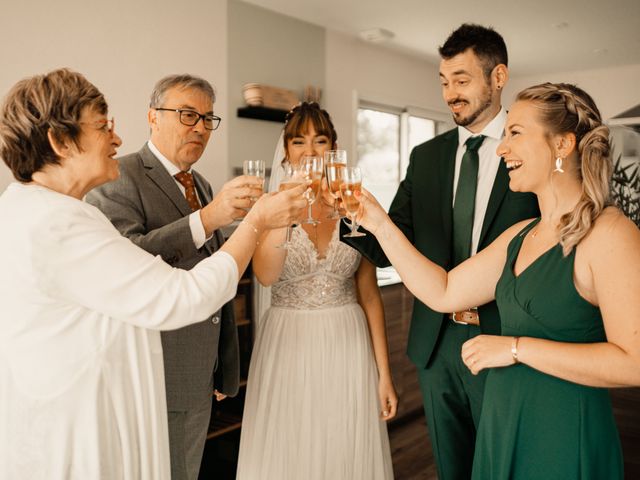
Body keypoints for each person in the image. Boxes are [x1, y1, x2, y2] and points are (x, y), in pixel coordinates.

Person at [0, 68, 307, 480]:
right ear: (60, 141)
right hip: (77, 426)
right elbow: (181, 295)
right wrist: (255, 222)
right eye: (102, 126)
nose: (116, 137)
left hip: (107, 403)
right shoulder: (60, 224)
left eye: (206, 118)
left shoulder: (31, 208)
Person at [356, 82, 639, 478]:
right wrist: (378, 223)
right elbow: (444, 291)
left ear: (562, 145)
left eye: (515, 133)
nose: (502, 148)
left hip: (561, 436)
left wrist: (516, 349)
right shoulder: (520, 235)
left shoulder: (610, 233)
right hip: (503, 424)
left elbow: (634, 362)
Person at [341, 23, 539, 479]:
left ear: (499, 77)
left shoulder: (529, 147)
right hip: (436, 344)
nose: (451, 93)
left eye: (462, 80)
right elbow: (392, 244)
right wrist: (344, 217)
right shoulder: (426, 157)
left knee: (508, 466)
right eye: (445, 81)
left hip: (506, 336)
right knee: (451, 468)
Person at [86, 74, 261, 480]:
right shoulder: (119, 176)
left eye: (208, 118)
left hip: (199, 371)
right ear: (153, 116)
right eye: (187, 115)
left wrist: (223, 367)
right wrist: (210, 217)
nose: (200, 127)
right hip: (153, 375)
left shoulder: (199, 183)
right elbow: (127, 263)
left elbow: (213, 271)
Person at [236, 102, 397, 480]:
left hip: (348, 342)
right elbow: (265, 275)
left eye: (320, 140)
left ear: (334, 149)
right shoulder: (267, 207)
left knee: (344, 447)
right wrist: (284, 207)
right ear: (287, 150)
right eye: (299, 141)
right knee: (290, 450)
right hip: (289, 343)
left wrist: (384, 374)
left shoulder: (353, 204)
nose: (310, 151)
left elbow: (370, 295)